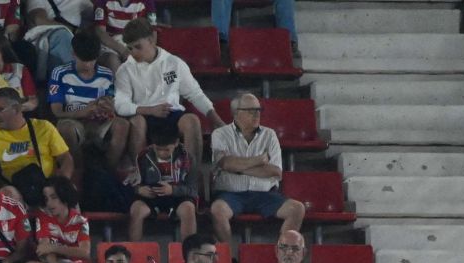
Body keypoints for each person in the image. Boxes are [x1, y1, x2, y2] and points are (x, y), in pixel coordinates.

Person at [113, 20, 222, 168]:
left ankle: (191, 176)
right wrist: (150, 110)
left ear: (151, 40)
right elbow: (120, 105)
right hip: (143, 116)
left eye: (138, 47)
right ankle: (141, 174)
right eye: (130, 48)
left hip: (171, 114)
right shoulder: (125, 70)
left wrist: (217, 121)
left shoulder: (174, 63)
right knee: (137, 122)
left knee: (192, 121)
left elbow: (195, 94)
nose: (134, 53)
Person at [209, 93, 304, 244]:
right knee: (217, 210)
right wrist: (259, 161)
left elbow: (275, 171)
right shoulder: (220, 134)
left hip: (264, 194)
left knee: (297, 209)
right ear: (236, 113)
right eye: (251, 110)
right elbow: (225, 163)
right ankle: (228, 256)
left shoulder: (269, 135)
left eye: (259, 110)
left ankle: (282, 252)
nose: (257, 114)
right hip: (231, 194)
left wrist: (238, 168)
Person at [0, 88, 71, 191]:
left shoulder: (44, 127)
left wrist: (62, 182)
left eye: (0, 110)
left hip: (46, 189)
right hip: (12, 191)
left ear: (16, 109)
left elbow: (65, 157)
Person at [47, 31, 123, 173]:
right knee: (66, 128)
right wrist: (82, 112)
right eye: (83, 60)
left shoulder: (107, 75)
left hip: (98, 122)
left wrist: (107, 108)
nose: (88, 65)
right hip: (73, 120)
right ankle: (78, 173)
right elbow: (57, 111)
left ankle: (108, 172)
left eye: (92, 60)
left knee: (122, 124)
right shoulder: (60, 73)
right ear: (73, 54)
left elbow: (111, 102)